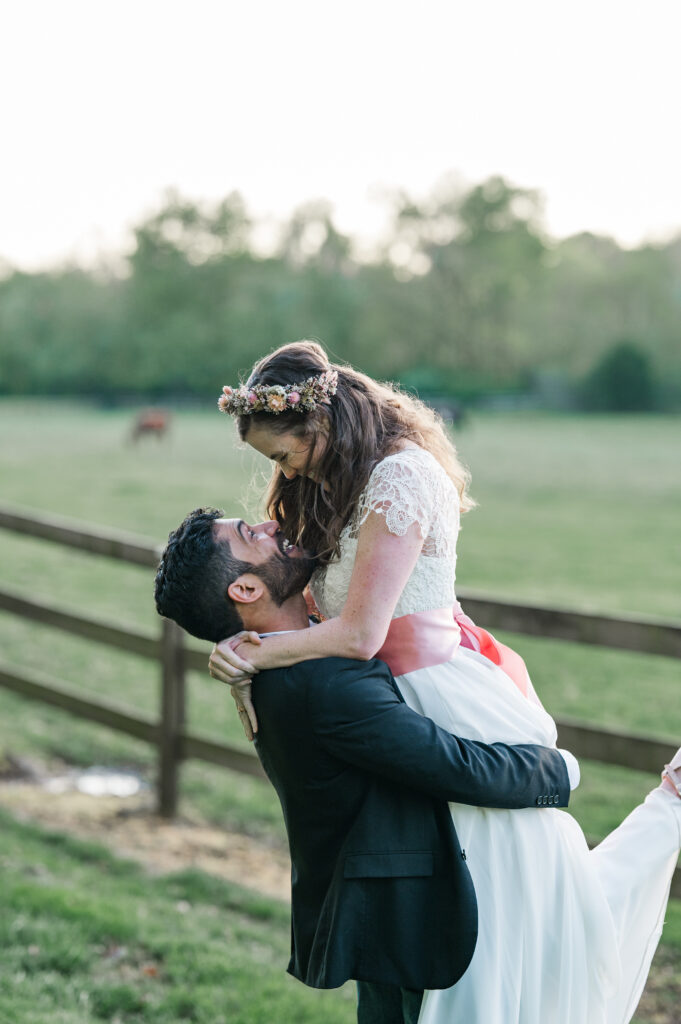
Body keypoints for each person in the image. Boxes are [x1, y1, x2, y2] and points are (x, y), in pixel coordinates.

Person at [208, 340, 681, 1024]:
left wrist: (258, 650)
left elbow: (361, 634)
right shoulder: (338, 482)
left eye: (283, 455)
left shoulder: (400, 477)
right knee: (480, 898)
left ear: (321, 425)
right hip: (388, 694)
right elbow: (295, 600)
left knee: (514, 890)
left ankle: (664, 815)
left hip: (435, 690)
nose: (283, 474)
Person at [154, 507, 576, 1024]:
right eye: (250, 535)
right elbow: (457, 766)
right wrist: (561, 772)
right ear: (244, 591)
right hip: (413, 927)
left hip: (382, 924)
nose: (269, 525)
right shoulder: (325, 684)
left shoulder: (273, 662)